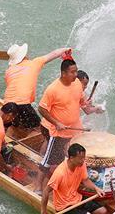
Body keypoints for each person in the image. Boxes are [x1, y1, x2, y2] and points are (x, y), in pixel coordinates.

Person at [37, 58, 87, 190]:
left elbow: (82, 103)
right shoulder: (53, 89)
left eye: (76, 71)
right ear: (63, 73)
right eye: (72, 72)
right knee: (47, 162)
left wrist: (95, 109)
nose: (76, 75)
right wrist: (57, 122)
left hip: (74, 132)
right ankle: (37, 187)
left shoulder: (77, 83)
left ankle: (70, 182)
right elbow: (41, 108)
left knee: (71, 159)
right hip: (58, 133)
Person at [2, 44, 71, 135]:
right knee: (38, 130)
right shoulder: (33, 63)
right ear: (25, 55)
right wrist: (65, 49)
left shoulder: (9, 71)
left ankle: (8, 142)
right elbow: (53, 54)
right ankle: (27, 147)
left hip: (7, 104)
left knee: (14, 126)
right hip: (22, 103)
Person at [39, 143, 107, 214]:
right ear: (71, 158)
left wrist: (97, 189)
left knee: (102, 211)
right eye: (80, 158)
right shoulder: (60, 173)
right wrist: (43, 211)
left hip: (77, 198)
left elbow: (85, 180)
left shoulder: (81, 164)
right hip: (64, 206)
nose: (83, 160)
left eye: (84, 157)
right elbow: (46, 191)